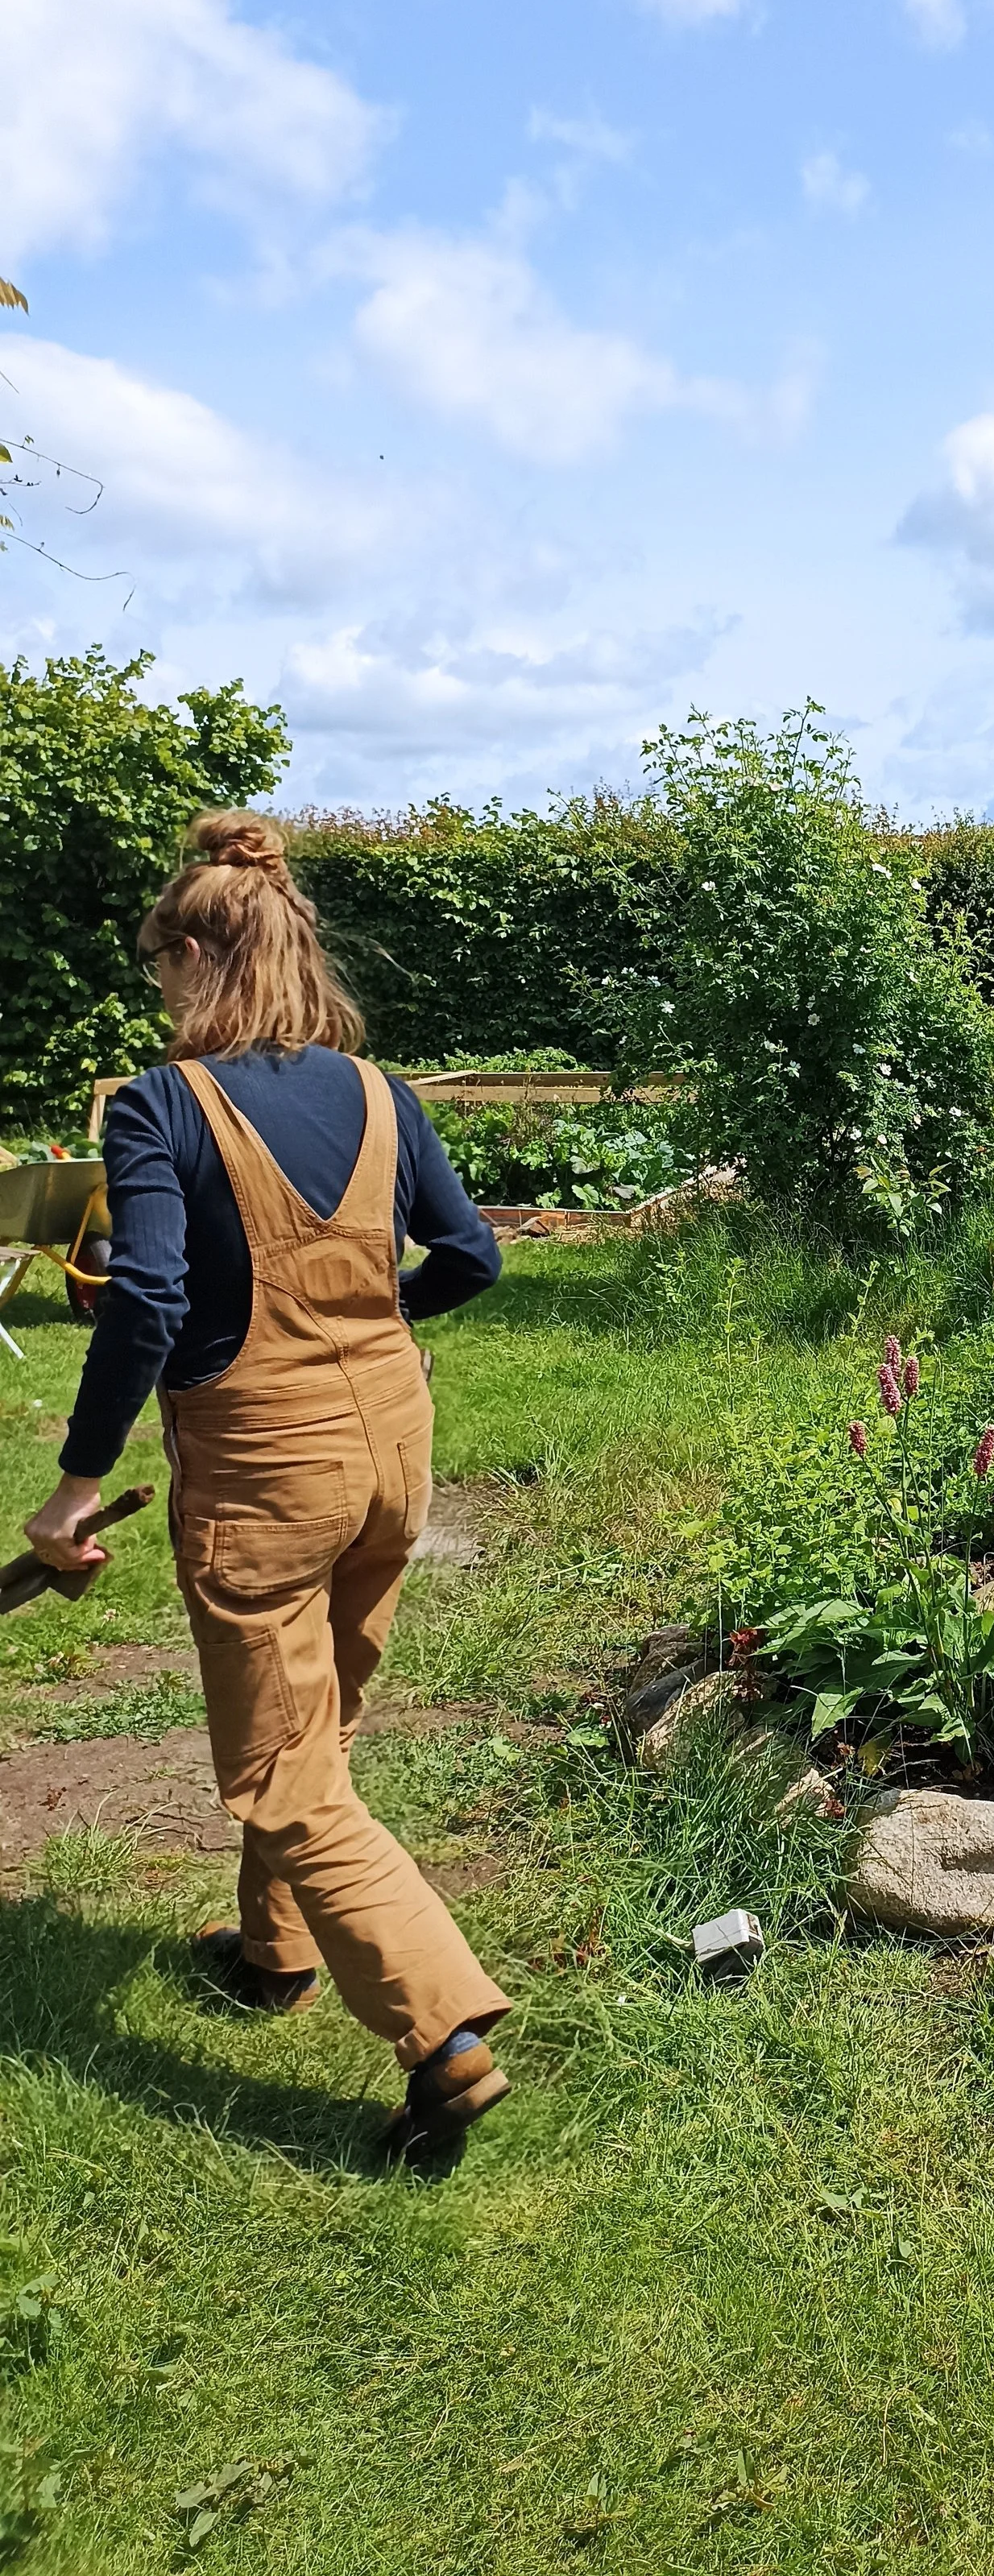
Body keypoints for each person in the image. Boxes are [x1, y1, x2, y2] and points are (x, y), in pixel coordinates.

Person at [23, 811, 512, 2168]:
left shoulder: (158, 1103)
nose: (156, 989)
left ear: (195, 954)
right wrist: (373, 1320)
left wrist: (74, 1486)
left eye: (158, 964)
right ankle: (271, 1951)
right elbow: (471, 1258)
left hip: (264, 1467)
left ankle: (446, 2033)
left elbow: (148, 1299)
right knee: (321, 1722)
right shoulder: (378, 1092)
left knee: (281, 1771)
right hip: (394, 1452)